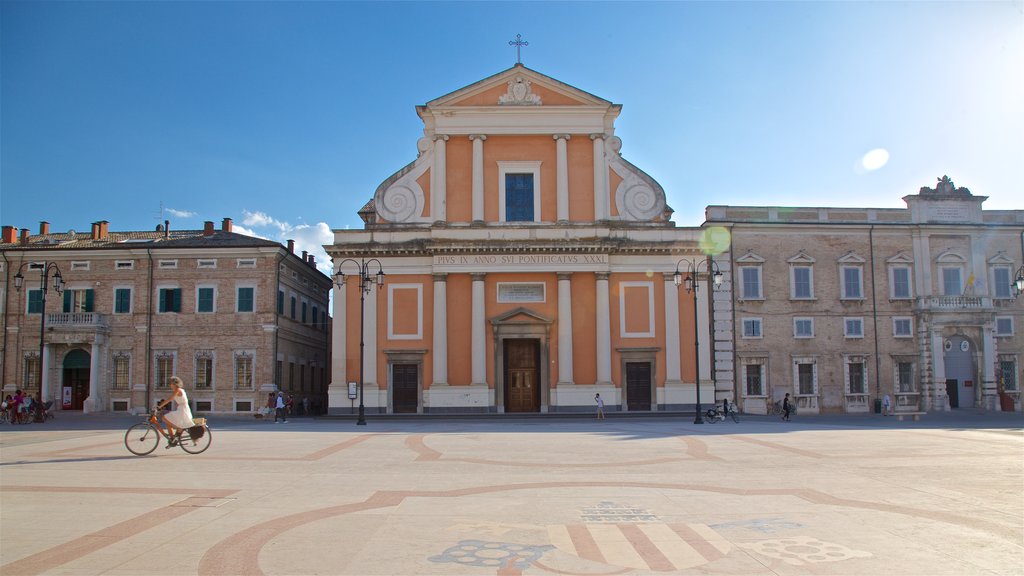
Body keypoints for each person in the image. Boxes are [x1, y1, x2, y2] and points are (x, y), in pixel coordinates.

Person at [157, 376, 195, 446]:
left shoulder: (178, 390)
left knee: (164, 418)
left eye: (170, 383)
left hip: (183, 411)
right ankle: (172, 439)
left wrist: (160, 406)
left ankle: (179, 429)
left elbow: (170, 399)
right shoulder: (179, 390)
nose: (170, 385)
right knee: (167, 420)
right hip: (181, 409)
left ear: (175, 384)